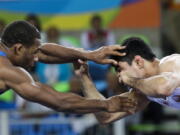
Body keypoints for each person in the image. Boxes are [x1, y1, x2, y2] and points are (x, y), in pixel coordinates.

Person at [0, 20, 135, 114]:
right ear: (18, 48)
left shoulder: (8, 49)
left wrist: (89, 54)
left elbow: (43, 51)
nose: (37, 58)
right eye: (33, 53)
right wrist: (107, 104)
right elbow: (60, 102)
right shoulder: (7, 70)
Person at [74, 37, 180, 124]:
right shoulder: (143, 91)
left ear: (138, 62)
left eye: (121, 70)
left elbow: (163, 88)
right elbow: (106, 117)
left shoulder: (173, 63)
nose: (121, 79)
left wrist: (130, 80)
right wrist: (84, 76)